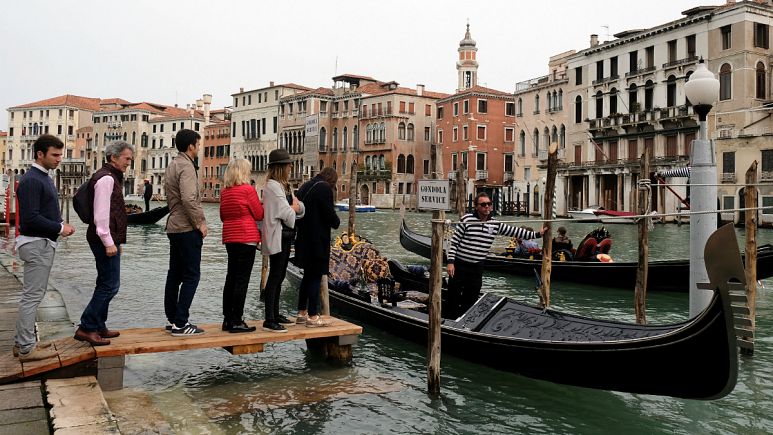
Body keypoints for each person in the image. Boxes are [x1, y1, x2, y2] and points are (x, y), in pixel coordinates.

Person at [13, 135, 76, 361]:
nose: (59, 159)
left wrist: (59, 225)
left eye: (60, 155)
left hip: (40, 243)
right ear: (40, 154)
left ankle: (21, 342)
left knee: (33, 296)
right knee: (32, 297)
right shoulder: (32, 180)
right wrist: (60, 227)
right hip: (36, 244)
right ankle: (27, 348)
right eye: (55, 155)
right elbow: (30, 218)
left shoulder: (42, 177)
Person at [446, 192, 547, 319]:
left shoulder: (495, 223)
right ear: (476, 206)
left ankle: (464, 321)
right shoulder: (466, 220)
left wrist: (538, 234)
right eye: (483, 204)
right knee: (453, 295)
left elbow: (515, 231)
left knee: (471, 296)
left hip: (477, 267)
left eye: (489, 204)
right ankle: (449, 320)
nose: (487, 207)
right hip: (460, 264)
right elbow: (454, 242)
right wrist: (450, 262)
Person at [74, 141, 134, 346]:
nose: (129, 162)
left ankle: (99, 325)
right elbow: (101, 215)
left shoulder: (109, 176)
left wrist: (116, 242)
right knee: (110, 285)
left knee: (105, 283)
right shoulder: (106, 179)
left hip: (106, 238)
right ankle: (87, 327)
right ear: (113, 157)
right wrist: (109, 242)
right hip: (102, 239)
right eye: (126, 158)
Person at [164, 129, 208, 336]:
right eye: (198, 145)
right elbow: (189, 199)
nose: (199, 148)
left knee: (174, 274)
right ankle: (181, 323)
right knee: (192, 275)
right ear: (191, 146)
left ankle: (173, 319)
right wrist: (200, 223)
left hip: (173, 226)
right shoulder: (187, 167)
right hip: (186, 228)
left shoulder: (173, 164)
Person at [261, 149, 304, 333]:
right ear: (280, 167)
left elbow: (299, 208)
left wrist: (295, 208)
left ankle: (276, 314)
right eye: (288, 165)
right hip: (277, 236)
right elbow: (287, 212)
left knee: (279, 276)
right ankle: (269, 319)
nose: (290, 167)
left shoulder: (285, 186)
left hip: (286, 236)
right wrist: (294, 208)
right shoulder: (272, 186)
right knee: (275, 276)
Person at [219, 159, 264, 333]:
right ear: (243, 172)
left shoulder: (225, 192)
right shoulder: (248, 190)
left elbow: (223, 216)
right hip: (246, 237)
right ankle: (237, 320)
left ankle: (227, 319)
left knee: (231, 277)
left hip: (230, 238)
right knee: (242, 280)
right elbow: (259, 214)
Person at [294, 167, 340, 327]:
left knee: (307, 276)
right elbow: (330, 215)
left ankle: (301, 313)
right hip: (317, 241)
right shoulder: (324, 188)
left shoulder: (305, 186)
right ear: (332, 180)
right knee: (315, 276)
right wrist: (337, 221)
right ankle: (313, 316)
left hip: (303, 239)